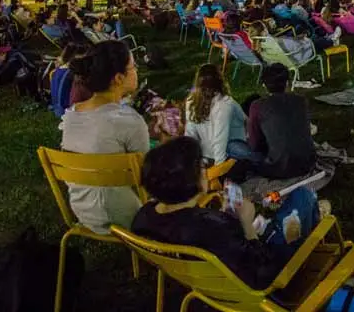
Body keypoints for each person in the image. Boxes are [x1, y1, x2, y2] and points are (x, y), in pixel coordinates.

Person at [131, 137, 319, 290]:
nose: (205, 169)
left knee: (279, 216)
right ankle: (307, 263)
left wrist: (223, 217)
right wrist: (246, 223)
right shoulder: (212, 227)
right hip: (260, 283)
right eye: (201, 165)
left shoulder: (143, 217)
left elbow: (209, 235)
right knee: (304, 196)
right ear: (190, 179)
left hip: (201, 280)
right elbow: (262, 271)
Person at [61, 41, 149, 234]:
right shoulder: (130, 121)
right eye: (133, 67)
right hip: (127, 216)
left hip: (83, 212)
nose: (136, 71)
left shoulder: (70, 116)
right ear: (118, 78)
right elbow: (147, 178)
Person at [247, 64, 316, 179]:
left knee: (242, 153)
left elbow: (255, 144)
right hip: (308, 163)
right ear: (287, 83)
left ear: (264, 85)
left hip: (278, 168)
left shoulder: (257, 106)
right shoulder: (301, 101)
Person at [185, 64, 250, 164]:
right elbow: (220, 139)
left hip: (207, 155)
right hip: (228, 154)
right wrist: (219, 169)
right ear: (220, 80)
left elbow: (190, 135)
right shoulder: (225, 104)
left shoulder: (191, 102)